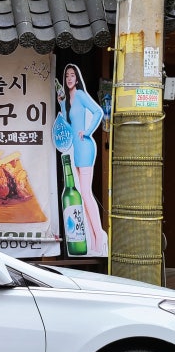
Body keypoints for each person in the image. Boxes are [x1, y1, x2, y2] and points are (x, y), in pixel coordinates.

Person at [62, 63, 106, 254]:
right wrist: (60, 103)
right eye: (67, 76)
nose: (69, 78)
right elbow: (66, 123)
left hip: (85, 149)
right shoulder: (68, 98)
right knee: (81, 195)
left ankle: (99, 236)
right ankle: (92, 238)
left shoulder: (80, 95)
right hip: (75, 150)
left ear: (77, 78)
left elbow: (97, 111)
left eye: (72, 75)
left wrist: (87, 132)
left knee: (86, 194)